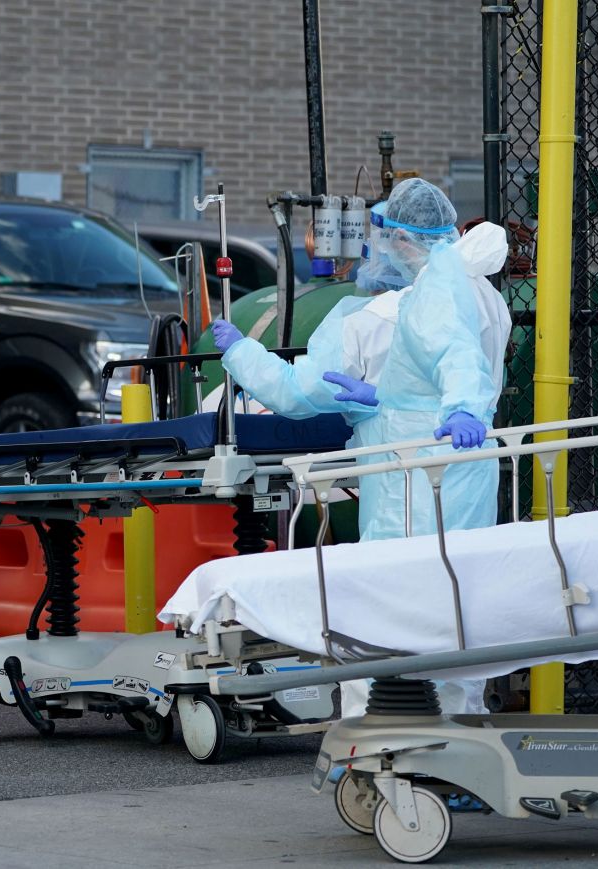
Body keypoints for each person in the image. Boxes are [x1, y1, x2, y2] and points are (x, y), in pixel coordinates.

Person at [211, 178, 510, 717]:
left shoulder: (418, 298)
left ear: (401, 238)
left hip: (413, 477)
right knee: (455, 607)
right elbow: (444, 370)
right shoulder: (479, 287)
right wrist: (387, 396)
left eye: (383, 235)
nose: (376, 249)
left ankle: (382, 735)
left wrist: (241, 354)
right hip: (463, 471)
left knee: (393, 611)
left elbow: (300, 392)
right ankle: (463, 732)